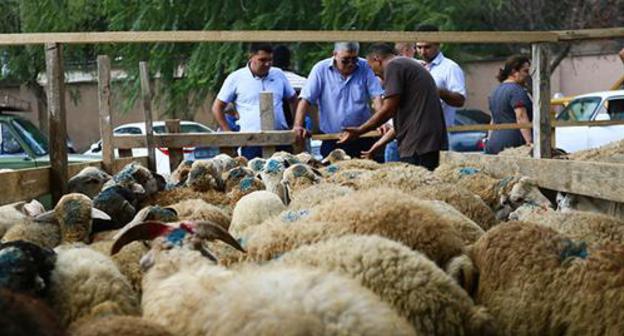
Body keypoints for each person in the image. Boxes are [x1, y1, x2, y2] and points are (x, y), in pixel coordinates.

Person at [340, 44, 448, 171]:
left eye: (371, 67)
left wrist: (360, 130)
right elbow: (406, 118)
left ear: (377, 59)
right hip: (425, 143)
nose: (373, 73)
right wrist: (378, 145)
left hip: (418, 146)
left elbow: (388, 110)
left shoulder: (393, 66)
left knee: (416, 187)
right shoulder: (405, 65)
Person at [293, 42, 384, 160]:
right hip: (332, 138)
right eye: (345, 60)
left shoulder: (365, 67)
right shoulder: (320, 69)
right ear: (335, 55)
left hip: (362, 137)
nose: (351, 64)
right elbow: (306, 99)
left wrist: (382, 122)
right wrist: (298, 125)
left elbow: (376, 96)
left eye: (354, 59)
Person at [212, 43, 297, 160]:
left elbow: (293, 99)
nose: (267, 64)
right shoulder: (236, 78)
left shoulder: (278, 74)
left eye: (270, 60)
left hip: (280, 138)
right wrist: (228, 131)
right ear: (251, 57)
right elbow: (217, 107)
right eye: (262, 60)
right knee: (253, 175)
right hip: (251, 140)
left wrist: (295, 124)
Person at [415, 24, 466, 129]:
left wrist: (436, 91)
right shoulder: (413, 66)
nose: (423, 52)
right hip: (414, 132)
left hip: (438, 132)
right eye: (419, 47)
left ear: (438, 44)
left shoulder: (450, 68)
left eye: (427, 47)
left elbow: (460, 100)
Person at [484, 54, 533, 155]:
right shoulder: (517, 91)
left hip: (494, 142)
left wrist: (488, 139)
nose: (527, 75)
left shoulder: (495, 91)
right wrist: (529, 142)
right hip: (513, 143)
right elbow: (521, 116)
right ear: (514, 72)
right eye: (525, 71)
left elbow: (493, 120)